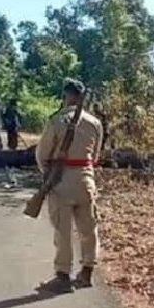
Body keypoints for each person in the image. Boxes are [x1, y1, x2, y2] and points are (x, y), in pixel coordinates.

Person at [35, 79, 103, 293]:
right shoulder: (94, 122)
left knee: (62, 232)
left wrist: (48, 175)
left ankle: (63, 276)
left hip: (60, 181)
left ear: (65, 95)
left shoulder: (56, 120)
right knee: (89, 229)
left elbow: (42, 154)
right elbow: (96, 155)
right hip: (86, 179)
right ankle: (87, 272)